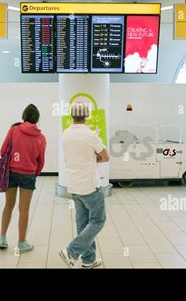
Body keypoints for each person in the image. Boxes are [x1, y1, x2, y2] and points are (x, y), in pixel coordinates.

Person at [60, 102, 110, 269]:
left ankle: (89, 260)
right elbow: (105, 156)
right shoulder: (90, 135)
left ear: (72, 116)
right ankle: (71, 251)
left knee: (83, 223)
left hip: (73, 185)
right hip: (90, 185)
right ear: (86, 116)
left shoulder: (65, 134)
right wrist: (92, 159)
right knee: (98, 220)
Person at [0, 104, 46, 254]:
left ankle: (2, 238)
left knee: (9, 205)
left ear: (24, 116)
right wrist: (34, 173)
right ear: (37, 118)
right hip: (29, 175)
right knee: (24, 209)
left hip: (11, 171)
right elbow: (41, 161)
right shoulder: (41, 137)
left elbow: (2, 151)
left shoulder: (14, 130)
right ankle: (21, 243)